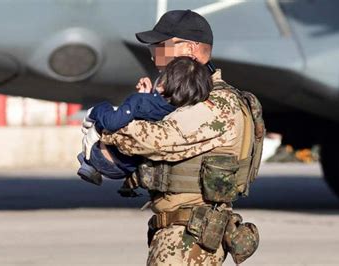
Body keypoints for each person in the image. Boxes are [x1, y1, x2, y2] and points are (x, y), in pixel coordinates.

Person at [81, 10, 264, 266]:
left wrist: (105, 121)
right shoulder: (182, 100)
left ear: (190, 49)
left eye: (161, 46)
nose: (155, 55)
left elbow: (154, 141)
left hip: (188, 238)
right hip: (179, 232)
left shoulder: (217, 104)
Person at [77, 57, 212, 185]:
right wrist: (147, 96)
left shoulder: (140, 101)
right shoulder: (178, 113)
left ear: (162, 83)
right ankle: (89, 164)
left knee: (106, 113)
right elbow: (150, 115)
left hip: (104, 158)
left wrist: (96, 110)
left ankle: (88, 163)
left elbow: (112, 123)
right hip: (127, 168)